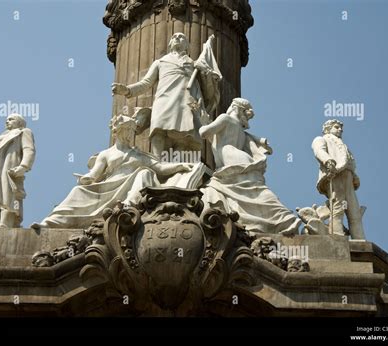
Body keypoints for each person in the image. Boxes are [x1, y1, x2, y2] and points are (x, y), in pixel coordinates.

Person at [32, 115, 192, 229]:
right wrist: (86, 179)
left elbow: (160, 168)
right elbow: (93, 175)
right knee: (77, 191)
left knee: (145, 173)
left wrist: (180, 166)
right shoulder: (106, 154)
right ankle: (51, 222)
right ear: (118, 131)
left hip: (130, 187)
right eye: (128, 130)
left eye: (132, 131)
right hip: (110, 186)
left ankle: (128, 207)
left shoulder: (138, 155)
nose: (131, 134)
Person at [199, 98, 301, 236]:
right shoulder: (240, 130)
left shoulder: (225, 118)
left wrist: (202, 123)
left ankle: (283, 219)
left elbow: (204, 133)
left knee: (253, 191)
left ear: (234, 107)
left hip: (232, 159)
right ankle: (284, 219)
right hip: (240, 158)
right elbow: (215, 141)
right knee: (256, 190)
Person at [112, 32, 221, 156]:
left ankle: (179, 163)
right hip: (164, 100)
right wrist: (127, 90)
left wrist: (207, 74)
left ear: (187, 46)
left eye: (181, 37)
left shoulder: (193, 64)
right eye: (174, 37)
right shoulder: (160, 62)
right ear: (170, 44)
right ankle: (157, 161)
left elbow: (207, 88)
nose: (177, 38)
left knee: (184, 134)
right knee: (158, 130)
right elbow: (146, 83)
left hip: (184, 101)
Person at [312, 119, 365, 239]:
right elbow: (319, 151)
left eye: (341, 128)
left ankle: (359, 238)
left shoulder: (343, 144)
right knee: (338, 206)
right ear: (328, 128)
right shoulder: (321, 139)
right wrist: (328, 160)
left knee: (354, 211)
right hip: (335, 174)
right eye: (336, 127)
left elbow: (349, 161)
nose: (340, 130)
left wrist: (353, 175)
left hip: (348, 178)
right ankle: (337, 235)